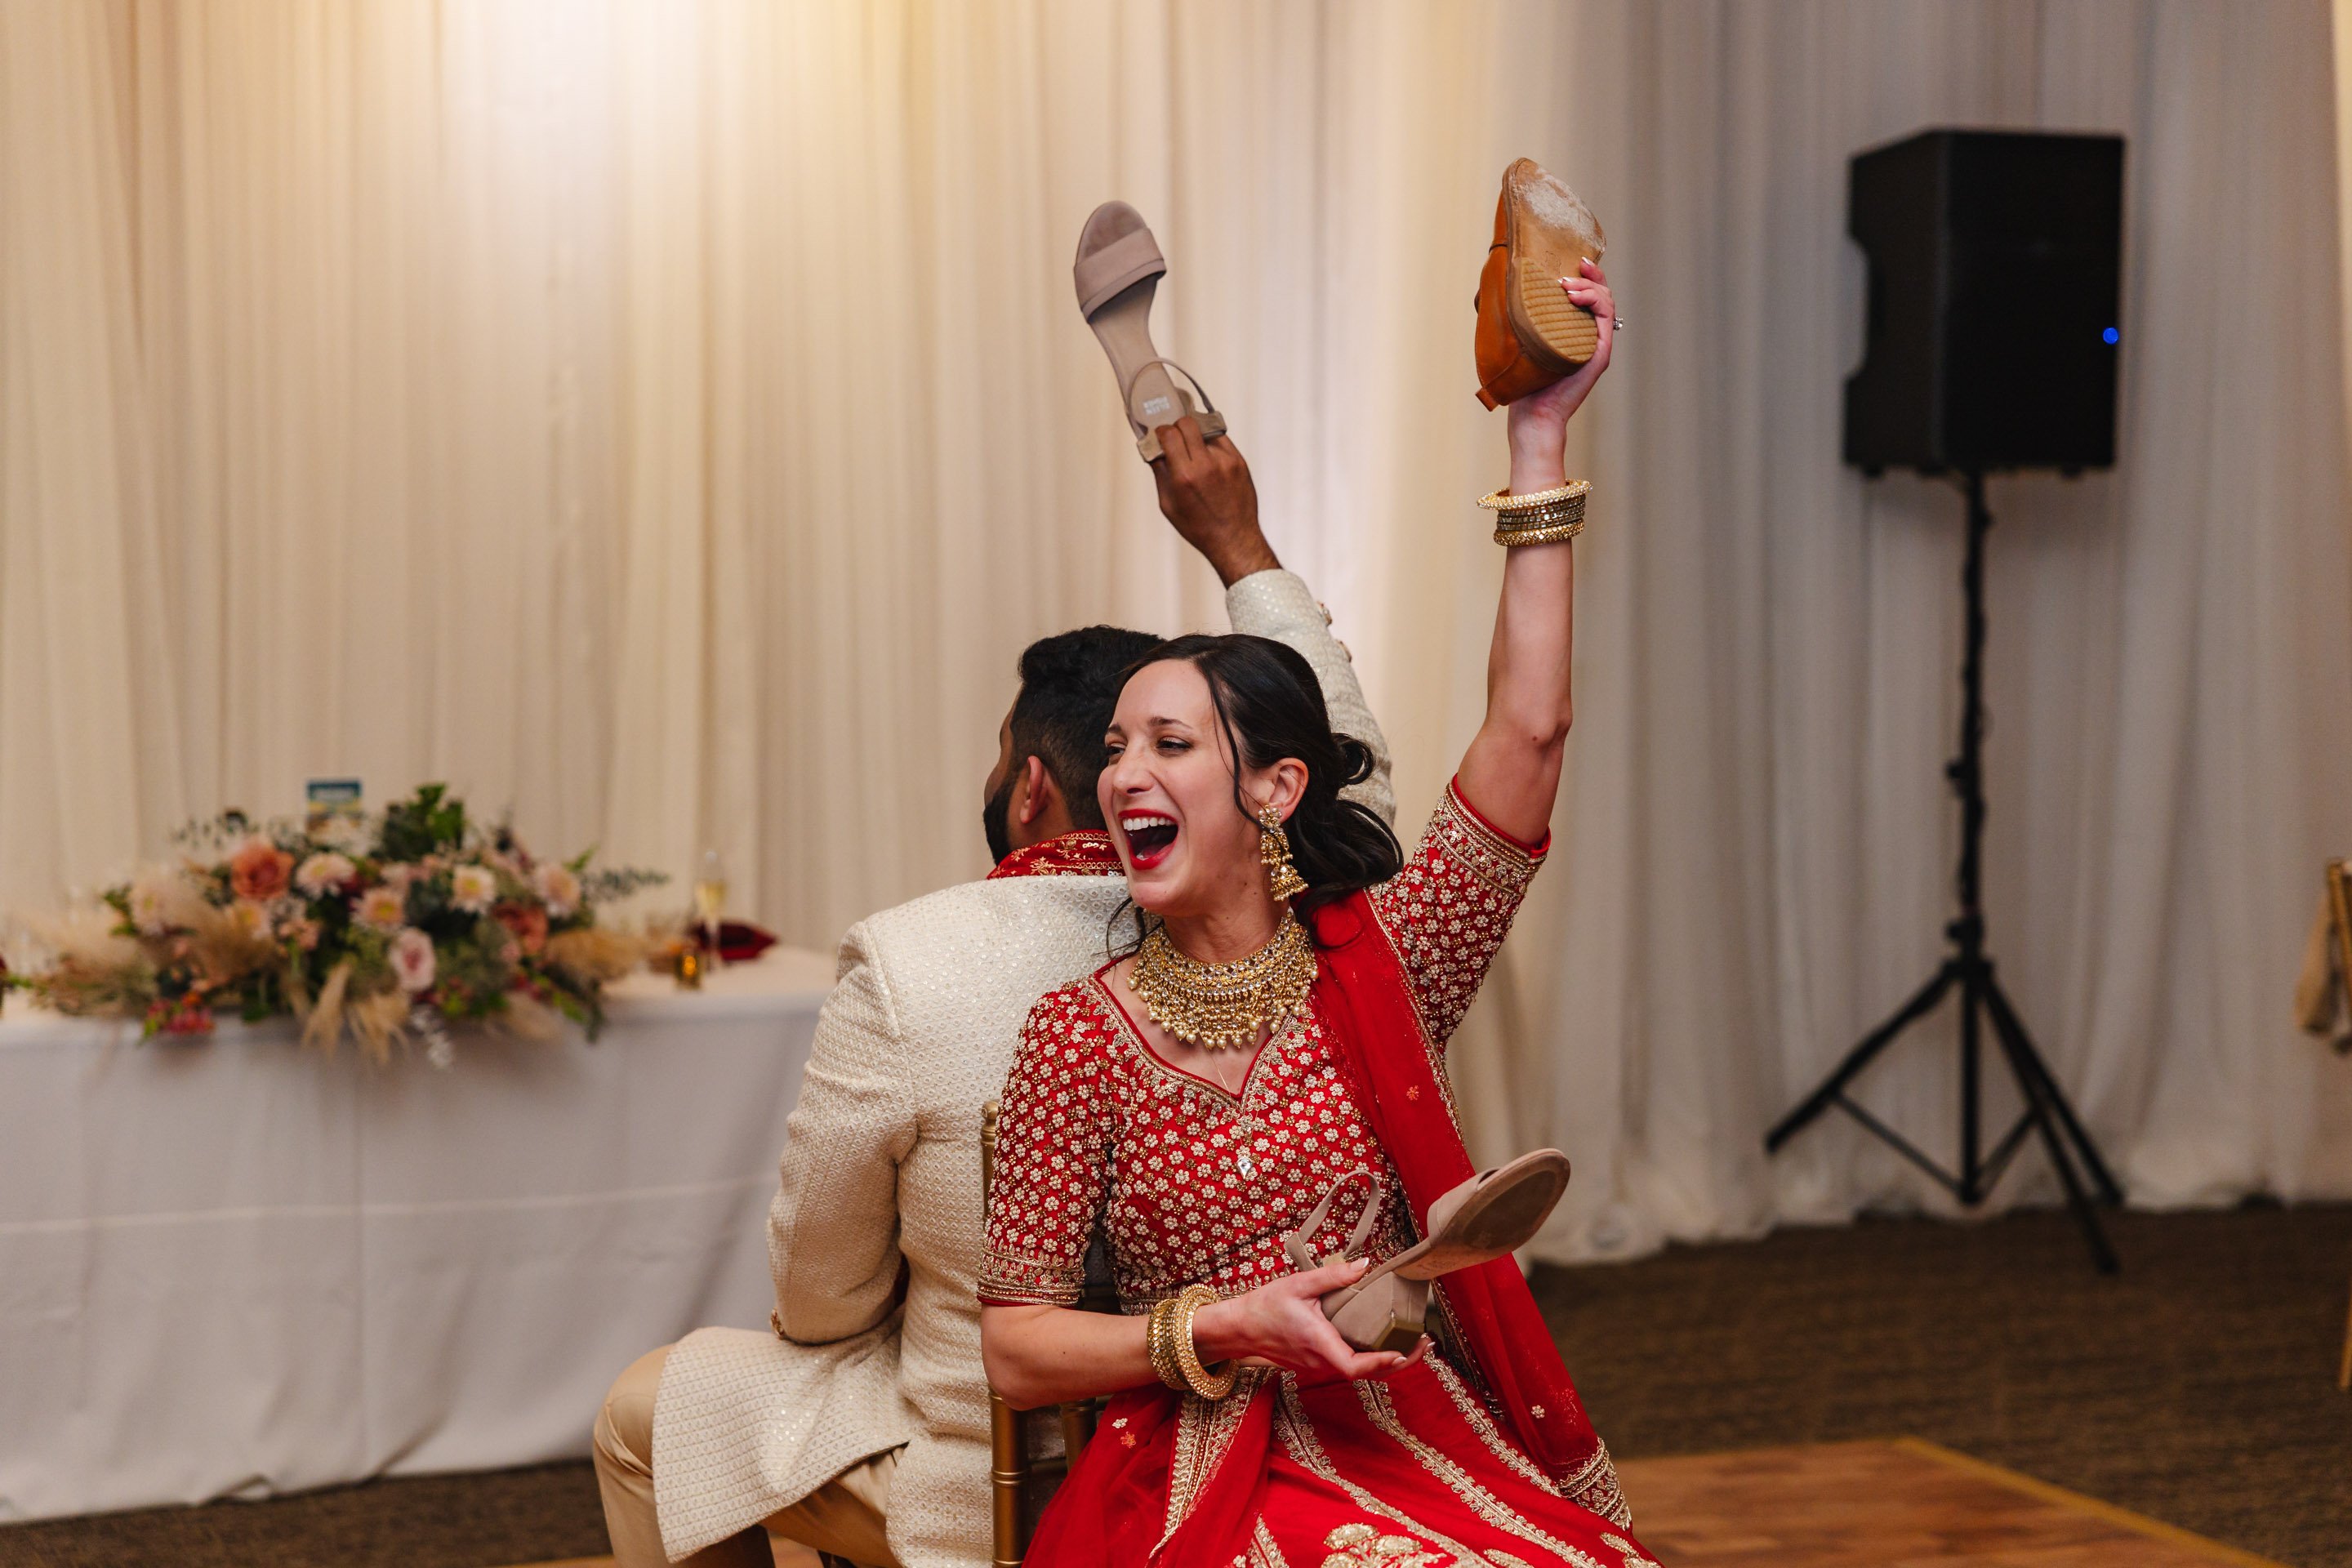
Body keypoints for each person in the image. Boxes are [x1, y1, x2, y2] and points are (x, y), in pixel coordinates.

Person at [592, 417, 1395, 1568]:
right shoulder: (1325, 908)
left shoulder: (911, 963)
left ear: (1027, 786)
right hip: (1280, 1428)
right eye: (1124, 743)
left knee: (650, 1414)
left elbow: (819, 1302)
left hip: (1010, 1485)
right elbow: (1352, 745)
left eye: (1166, 739)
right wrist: (1240, 545)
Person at [978, 263, 1648, 1566]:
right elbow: (1015, 1349)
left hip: (1401, 1425)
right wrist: (1217, 1330)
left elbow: (1529, 729)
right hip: (1197, 1451)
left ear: (1276, 789)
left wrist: (1541, 434)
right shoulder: (1076, 1038)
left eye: (1169, 742)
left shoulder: (1384, 964)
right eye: (1116, 747)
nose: (1123, 776)